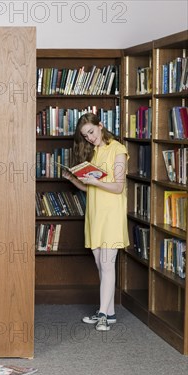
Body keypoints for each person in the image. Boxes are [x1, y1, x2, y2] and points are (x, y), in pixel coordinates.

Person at [62, 112, 129, 332]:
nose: (89, 138)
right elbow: (89, 187)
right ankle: (108, 313)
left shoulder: (118, 150)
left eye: (91, 132)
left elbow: (118, 187)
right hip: (95, 213)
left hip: (111, 214)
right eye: (85, 135)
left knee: (108, 264)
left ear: (101, 126)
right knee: (101, 264)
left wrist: (94, 182)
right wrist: (73, 179)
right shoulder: (94, 152)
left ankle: (102, 314)